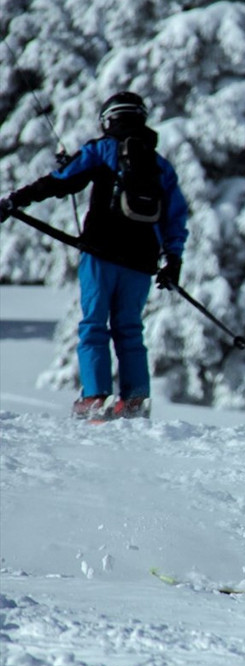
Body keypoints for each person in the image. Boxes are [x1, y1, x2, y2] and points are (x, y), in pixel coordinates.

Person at [0, 91, 189, 420]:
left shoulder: (101, 150)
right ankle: (134, 400)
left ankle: (95, 397)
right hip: (141, 263)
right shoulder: (161, 166)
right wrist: (173, 260)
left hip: (101, 254)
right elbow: (176, 217)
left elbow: (59, 182)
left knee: (93, 325)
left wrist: (15, 200)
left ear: (108, 120)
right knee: (130, 328)